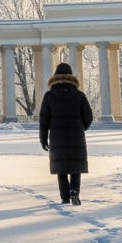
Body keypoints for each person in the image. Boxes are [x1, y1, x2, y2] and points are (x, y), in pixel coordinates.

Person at [39, 61, 94, 205]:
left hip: (57, 138)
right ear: (71, 77)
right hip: (76, 137)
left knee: (61, 168)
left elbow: (43, 119)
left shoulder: (49, 96)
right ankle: (74, 191)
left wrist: (43, 137)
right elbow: (89, 116)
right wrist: (81, 128)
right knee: (76, 167)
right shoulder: (79, 95)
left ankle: (65, 197)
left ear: (55, 77)